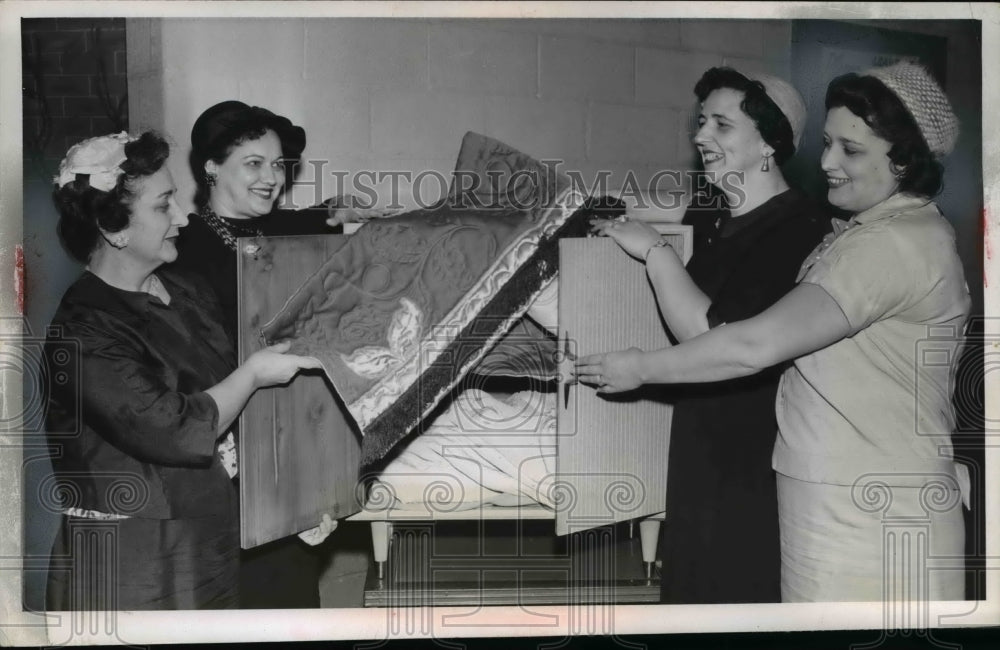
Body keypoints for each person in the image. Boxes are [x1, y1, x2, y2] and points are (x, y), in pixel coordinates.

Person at [577, 61, 970, 602]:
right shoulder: (862, 232)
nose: (826, 161)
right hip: (830, 493)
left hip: (869, 506)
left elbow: (751, 344)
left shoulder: (889, 244)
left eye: (850, 150)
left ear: (904, 160)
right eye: (828, 143)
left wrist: (638, 366)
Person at [44, 131, 326, 610]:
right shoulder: (83, 329)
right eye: (163, 206)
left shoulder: (186, 290)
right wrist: (254, 373)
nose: (181, 217)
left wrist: (294, 504)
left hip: (207, 542)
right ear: (114, 229)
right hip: (136, 563)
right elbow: (174, 428)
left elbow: (240, 418)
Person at [590, 67, 828, 604]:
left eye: (722, 126)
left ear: (768, 143)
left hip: (754, 450)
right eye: (702, 122)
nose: (701, 137)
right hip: (701, 438)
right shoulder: (714, 211)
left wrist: (656, 253)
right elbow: (646, 213)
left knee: (737, 587)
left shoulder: (799, 227)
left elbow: (707, 333)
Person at [172, 100, 343, 609]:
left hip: (291, 447)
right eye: (253, 164)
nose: (271, 178)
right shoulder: (181, 247)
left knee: (291, 599)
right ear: (210, 167)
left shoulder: (292, 234)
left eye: (278, 166)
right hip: (223, 451)